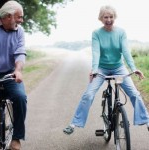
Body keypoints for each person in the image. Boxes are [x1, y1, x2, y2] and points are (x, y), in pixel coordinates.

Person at [63, 5, 149, 135]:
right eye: (105, 17)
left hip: (119, 68)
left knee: (135, 94)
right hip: (101, 69)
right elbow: (96, 52)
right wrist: (94, 69)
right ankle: (74, 124)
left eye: (111, 17)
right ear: (101, 18)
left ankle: (147, 121)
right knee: (88, 94)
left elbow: (126, 52)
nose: (108, 19)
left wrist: (133, 68)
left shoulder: (121, 32)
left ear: (115, 17)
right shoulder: (96, 33)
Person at [0, 1, 27, 149]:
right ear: (8, 16)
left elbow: (20, 52)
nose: (21, 21)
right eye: (19, 17)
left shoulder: (19, 31)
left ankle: (16, 138)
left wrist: (18, 70)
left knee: (20, 98)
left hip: (10, 74)